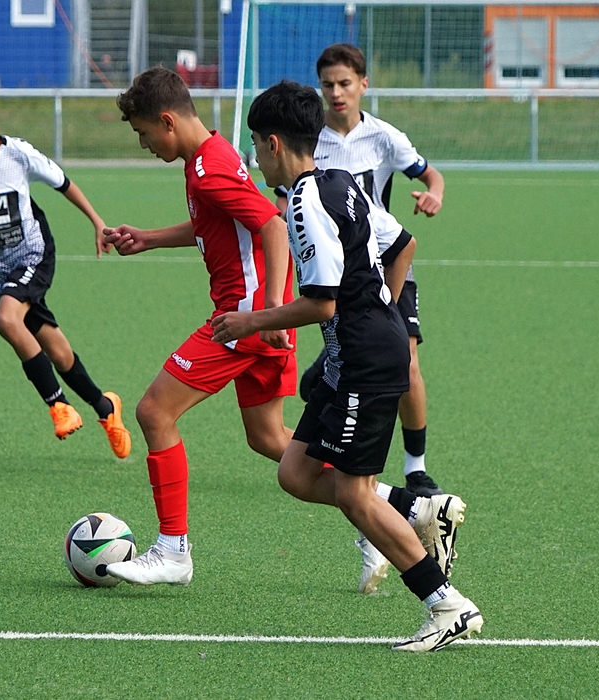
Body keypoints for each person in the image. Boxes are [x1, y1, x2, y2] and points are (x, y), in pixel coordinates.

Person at [212, 80, 482, 652]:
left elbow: (323, 303)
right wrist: (383, 314)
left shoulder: (305, 203)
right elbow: (402, 242)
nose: (255, 157)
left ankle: (446, 605)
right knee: (295, 473)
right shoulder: (340, 182)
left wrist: (252, 321)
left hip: (364, 362)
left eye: (255, 145)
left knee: (356, 495)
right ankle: (418, 508)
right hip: (352, 357)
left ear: (274, 143)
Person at [100, 67, 298, 586]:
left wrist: (267, 313)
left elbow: (273, 226)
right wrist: (149, 238)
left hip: (243, 319)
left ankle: (173, 550)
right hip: (254, 317)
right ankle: (394, 506)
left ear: (167, 121)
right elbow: (218, 222)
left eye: (144, 133)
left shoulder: (208, 168)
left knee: (153, 411)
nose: (143, 144)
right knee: (270, 438)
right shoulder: (208, 157)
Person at [279, 43, 445, 499]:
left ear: (363, 85)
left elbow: (431, 176)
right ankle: (352, 470)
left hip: (388, 261)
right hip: (343, 273)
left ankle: (416, 470)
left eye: (345, 83)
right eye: (327, 84)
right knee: (357, 362)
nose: (336, 93)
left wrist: (433, 194)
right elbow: (288, 204)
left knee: (406, 362)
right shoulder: (310, 143)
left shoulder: (385, 137)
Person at [0, 78, 130, 459]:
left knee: (6, 319)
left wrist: (97, 222)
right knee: (58, 352)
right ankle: (106, 407)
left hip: (34, 254)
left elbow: (63, 183)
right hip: (1, 273)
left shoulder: (18, 154)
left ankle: (59, 405)